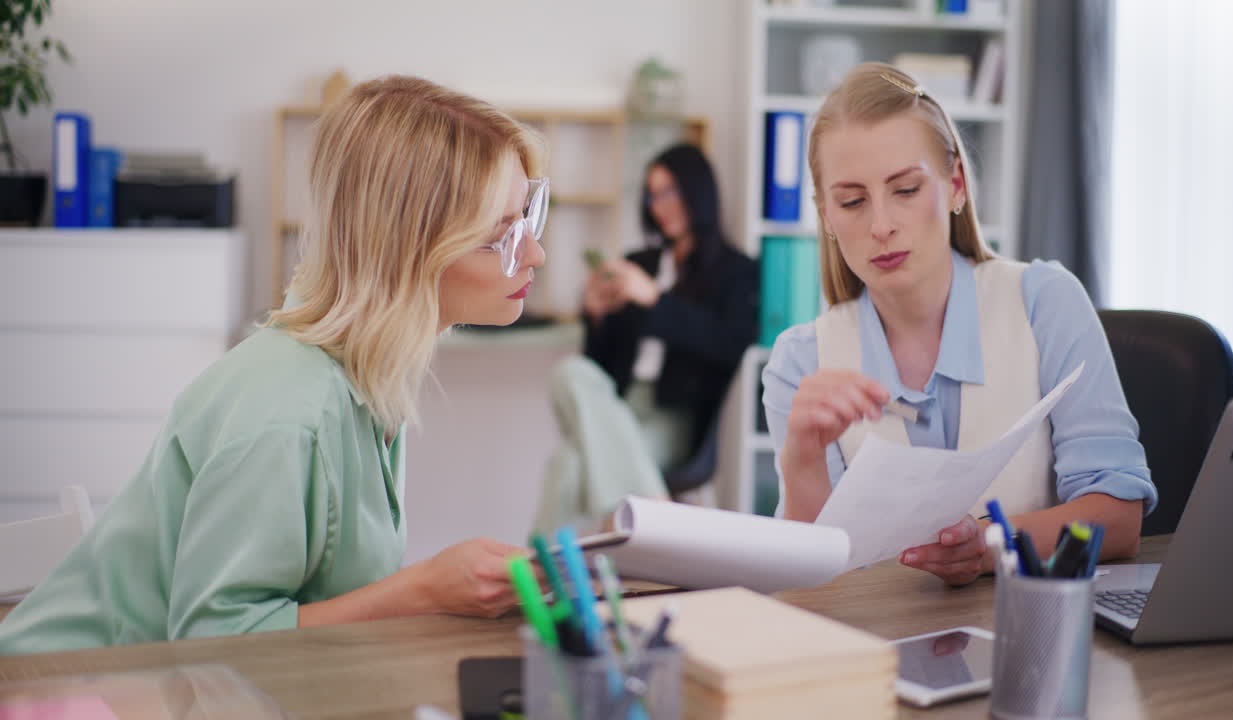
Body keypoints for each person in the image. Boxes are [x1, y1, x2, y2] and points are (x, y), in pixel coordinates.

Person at [0, 75, 549, 654]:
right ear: (408, 247)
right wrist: (424, 590)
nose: (535, 253)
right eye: (502, 235)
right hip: (70, 693)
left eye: (528, 220)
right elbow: (215, 642)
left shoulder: (366, 376)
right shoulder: (288, 411)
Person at [762, 63, 1157, 586]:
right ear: (827, 216)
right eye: (852, 202)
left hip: (1030, 633)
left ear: (955, 186)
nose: (880, 225)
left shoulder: (1045, 303)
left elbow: (1119, 518)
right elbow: (812, 576)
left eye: (904, 190)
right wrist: (801, 463)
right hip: (877, 648)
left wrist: (991, 544)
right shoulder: (801, 363)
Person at [534, 143, 759, 532]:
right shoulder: (638, 263)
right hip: (620, 402)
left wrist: (654, 299)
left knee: (570, 463)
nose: (659, 205)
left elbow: (727, 344)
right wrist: (596, 316)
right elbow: (599, 365)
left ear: (697, 192)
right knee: (570, 372)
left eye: (669, 192)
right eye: (653, 195)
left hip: (674, 414)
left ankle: (537, 575)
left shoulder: (735, 271)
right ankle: (656, 510)